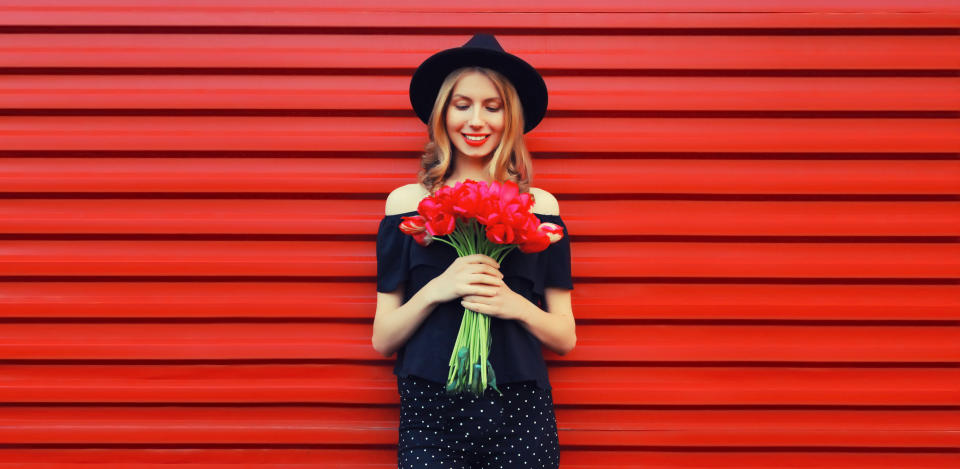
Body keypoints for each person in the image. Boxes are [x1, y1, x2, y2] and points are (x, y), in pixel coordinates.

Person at [372, 33, 576, 469]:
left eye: (493, 106)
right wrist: (438, 288)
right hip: (430, 415)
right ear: (443, 113)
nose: (476, 120)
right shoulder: (406, 204)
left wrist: (514, 305)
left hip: (520, 416)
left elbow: (565, 337)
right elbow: (382, 338)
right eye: (462, 105)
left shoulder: (541, 207)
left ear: (510, 117)